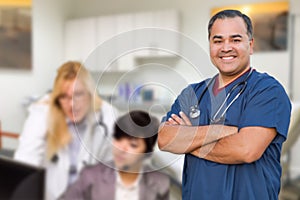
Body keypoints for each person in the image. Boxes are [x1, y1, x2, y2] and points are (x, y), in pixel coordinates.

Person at [158, 9, 291, 200]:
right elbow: (164, 139)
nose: (225, 47)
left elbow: (246, 150)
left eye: (235, 40)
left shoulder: (267, 91)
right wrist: (221, 131)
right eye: (218, 40)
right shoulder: (192, 93)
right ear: (210, 45)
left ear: (251, 45)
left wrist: (188, 141)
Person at [14, 61, 118, 200]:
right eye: (64, 97)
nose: (72, 104)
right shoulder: (42, 114)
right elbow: (25, 166)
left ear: (90, 93)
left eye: (78, 94)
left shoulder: (107, 116)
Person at [62, 110, 170, 200]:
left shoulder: (160, 183)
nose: (121, 149)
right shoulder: (90, 176)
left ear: (146, 153)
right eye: (118, 139)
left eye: (133, 145)